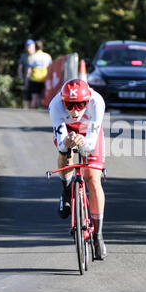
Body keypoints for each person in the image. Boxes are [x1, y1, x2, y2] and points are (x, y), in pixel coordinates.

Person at [49, 79, 107, 260]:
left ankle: (98, 235)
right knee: (65, 152)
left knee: (92, 178)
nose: (75, 111)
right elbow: (61, 143)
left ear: (88, 101)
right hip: (67, 131)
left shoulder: (97, 102)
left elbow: (90, 144)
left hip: (89, 132)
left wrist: (84, 142)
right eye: (70, 105)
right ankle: (66, 189)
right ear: (63, 101)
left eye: (81, 105)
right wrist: (67, 142)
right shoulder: (56, 106)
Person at [26, 40, 52, 108]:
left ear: (35, 47)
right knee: (42, 96)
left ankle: (35, 111)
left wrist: (27, 79)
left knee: (34, 96)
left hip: (34, 78)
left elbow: (29, 70)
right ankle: (41, 110)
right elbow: (51, 67)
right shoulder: (47, 56)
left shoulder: (32, 57)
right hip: (44, 78)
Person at [17, 39, 36, 108]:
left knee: (35, 95)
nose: (29, 49)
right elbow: (20, 68)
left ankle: (35, 110)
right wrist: (21, 77)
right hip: (27, 79)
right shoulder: (23, 56)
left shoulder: (37, 55)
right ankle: (28, 111)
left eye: (30, 47)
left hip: (36, 79)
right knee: (27, 95)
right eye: (28, 47)